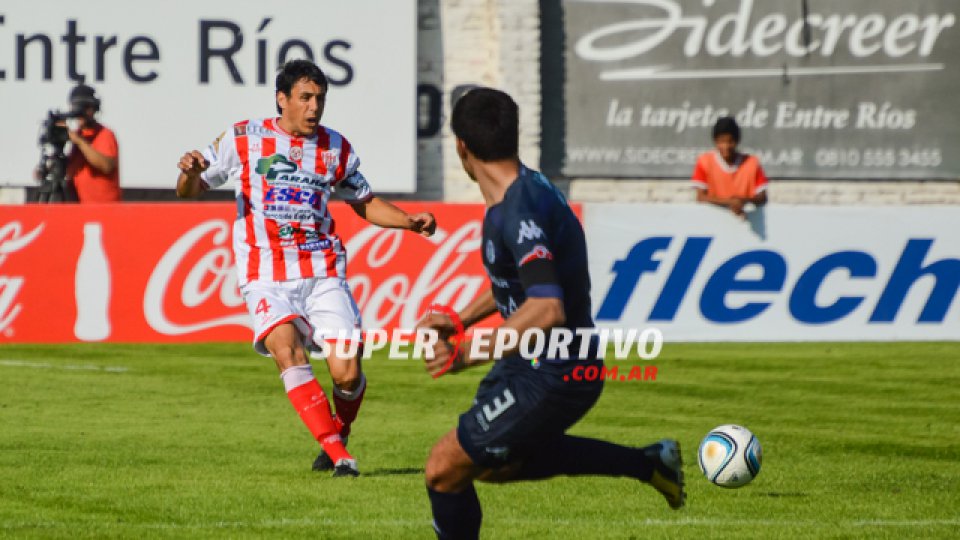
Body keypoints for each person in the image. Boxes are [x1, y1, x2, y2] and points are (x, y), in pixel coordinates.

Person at [415, 88, 684, 539]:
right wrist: (461, 319)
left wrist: (464, 353)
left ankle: (646, 463)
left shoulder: (519, 209)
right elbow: (523, 284)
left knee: (443, 470)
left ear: (461, 145)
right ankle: (648, 463)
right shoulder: (527, 189)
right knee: (492, 467)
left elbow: (546, 307)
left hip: (554, 371)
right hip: (533, 362)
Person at [175, 59, 436, 477]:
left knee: (347, 374)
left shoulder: (335, 147)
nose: (314, 107)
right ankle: (339, 456)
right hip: (265, 275)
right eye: (305, 98)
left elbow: (364, 201)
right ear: (282, 99)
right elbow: (191, 189)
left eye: (320, 99)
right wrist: (189, 173)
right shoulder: (244, 137)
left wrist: (409, 221)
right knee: (286, 349)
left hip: (322, 272)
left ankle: (341, 432)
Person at [691, 116, 768, 218]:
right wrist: (730, 202)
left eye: (730, 141)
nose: (726, 146)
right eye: (722, 141)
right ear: (715, 141)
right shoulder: (704, 162)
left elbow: (762, 197)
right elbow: (701, 197)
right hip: (713, 221)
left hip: (744, 222)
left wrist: (743, 201)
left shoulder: (752, 163)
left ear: (737, 141)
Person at [66, 84, 121, 202]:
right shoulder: (78, 135)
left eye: (85, 108)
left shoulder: (105, 134)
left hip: (104, 210)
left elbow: (106, 166)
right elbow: (70, 172)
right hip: (81, 208)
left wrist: (80, 142)